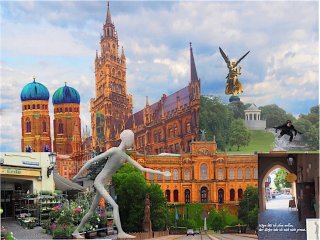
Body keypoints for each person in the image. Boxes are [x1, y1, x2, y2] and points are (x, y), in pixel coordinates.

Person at [71, 130, 171, 239]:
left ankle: (76, 231)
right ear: (126, 139)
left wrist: (161, 173)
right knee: (115, 206)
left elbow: (142, 168)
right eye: (131, 139)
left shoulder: (125, 156)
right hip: (99, 181)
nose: (132, 143)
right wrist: (77, 176)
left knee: (91, 211)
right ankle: (120, 232)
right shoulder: (114, 151)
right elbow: (91, 161)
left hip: (104, 184)